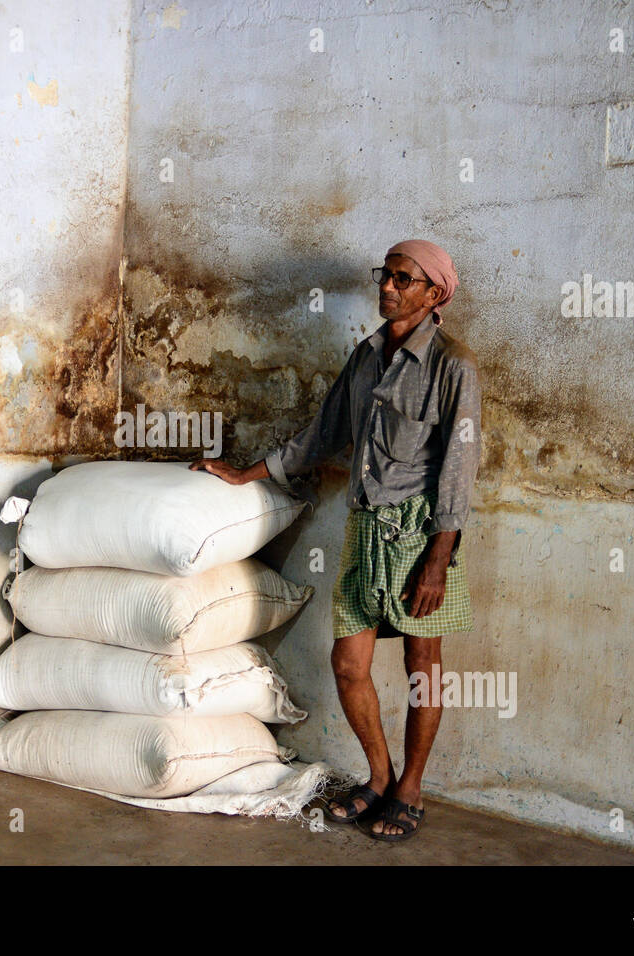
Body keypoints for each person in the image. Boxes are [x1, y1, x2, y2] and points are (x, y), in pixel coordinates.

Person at [190, 239, 480, 841]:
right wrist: (249, 472)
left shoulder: (455, 367)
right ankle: (378, 777)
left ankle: (411, 790)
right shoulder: (367, 356)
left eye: (404, 279)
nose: (389, 287)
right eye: (387, 275)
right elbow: (324, 433)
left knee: (422, 666)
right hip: (365, 528)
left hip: (421, 535)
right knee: (349, 665)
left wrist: (439, 560)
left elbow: (459, 466)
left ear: (435, 294)